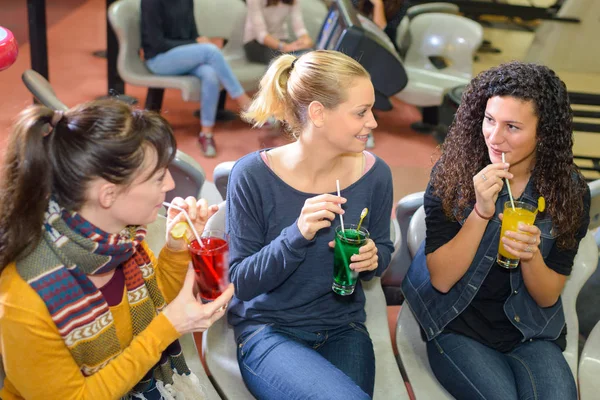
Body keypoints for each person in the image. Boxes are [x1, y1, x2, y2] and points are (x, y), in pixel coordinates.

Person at [0, 100, 234, 399]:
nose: (172, 184)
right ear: (108, 194)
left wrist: (176, 249)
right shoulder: (24, 296)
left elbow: (153, 303)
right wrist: (168, 328)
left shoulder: (119, 240)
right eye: (159, 176)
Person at [402, 61, 590, 400]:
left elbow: (547, 296)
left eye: (512, 127)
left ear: (543, 131)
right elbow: (442, 279)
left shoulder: (569, 192)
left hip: (528, 331)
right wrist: (480, 212)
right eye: (490, 120)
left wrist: (530, 254)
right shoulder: (454, 173)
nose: (494, 136)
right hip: (457, 323)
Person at [226, 49, 394, 399]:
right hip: (270, 330)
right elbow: (241, 283)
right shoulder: (252, 175)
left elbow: (383, 251)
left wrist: (373, 259)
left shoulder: (376, 175)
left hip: (343, 327)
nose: (373, 122)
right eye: (361, 112)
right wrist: (296, 235)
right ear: (318, 113)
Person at [141, 0, 254, 157]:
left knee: (210, 74)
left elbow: (192, 32)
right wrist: (195, 43)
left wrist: (196, 41)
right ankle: (243, 100)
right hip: (158, 59)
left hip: (182, 55)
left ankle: (206, 134)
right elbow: (156, 43)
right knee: (211, 50)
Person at [244, 0, 314, 65]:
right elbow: (261, 35)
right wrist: (285, 47)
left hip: (282, 41)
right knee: (282, 59)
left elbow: (299, 28)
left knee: (309, 53)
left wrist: (305, 40)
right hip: (256, 44)